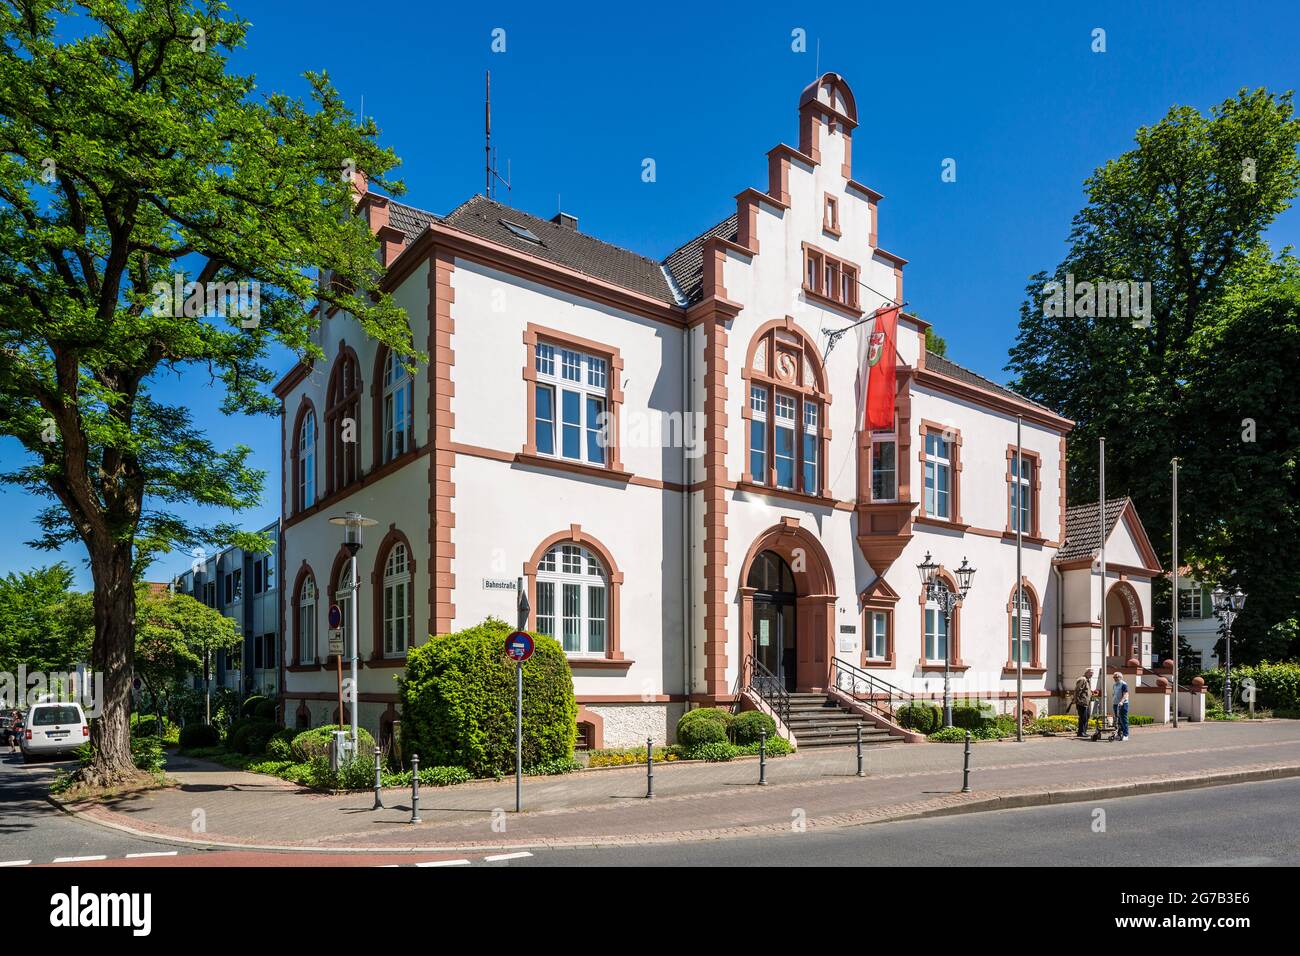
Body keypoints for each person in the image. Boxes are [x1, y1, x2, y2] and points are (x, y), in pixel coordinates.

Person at [1072, 669, 1094, 737]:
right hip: (1082, 702)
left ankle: (1084, 731)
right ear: (1086, 673)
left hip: (1086, 702)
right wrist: (1077, 700)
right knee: (1083, 717)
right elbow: (1077, 690)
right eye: (1090, 673)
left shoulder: (1087, 680)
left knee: (1086, 717)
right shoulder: (1082, 679)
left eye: (1092, 674)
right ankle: (1081, 732)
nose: (1091, 675)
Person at [1111, 670, 1130, 742]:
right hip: (1115, 704)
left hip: (1123, 704)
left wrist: (1121, 702)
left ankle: (1125, 735)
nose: (1115, 678)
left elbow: (1125, 694)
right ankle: (1119, 734)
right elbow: (1114, 694)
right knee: (1118, 719)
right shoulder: (1114, 685)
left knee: (1123, 719)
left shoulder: (1123, 684)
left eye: (1116, 677)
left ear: (1120, 677)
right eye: (1114, 677)